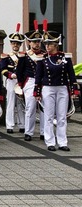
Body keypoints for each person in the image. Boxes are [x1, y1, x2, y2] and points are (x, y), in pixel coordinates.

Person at [34, 23, 78, 151]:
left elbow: (71, 74)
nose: (47, 47)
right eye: (46, 44)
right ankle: (50, 141)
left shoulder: (65, 57)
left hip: (62, 88)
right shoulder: (42, 59)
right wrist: (37, 91)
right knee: (48, 115)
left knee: (62, 116)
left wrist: (74, 89)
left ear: (56, 44)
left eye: (50, 44)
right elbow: (38, 76)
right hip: (48, 88)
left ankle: (62, 141)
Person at [16, 20, 46, 141]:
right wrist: (21, 84)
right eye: (34, 42)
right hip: (30, 82)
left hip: (43, 83)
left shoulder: (44, 54)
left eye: (38, 41)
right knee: (30, 107)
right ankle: (28, 132)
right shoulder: (25, 55)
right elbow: (19, 71)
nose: (37, 44)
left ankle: (44, 132)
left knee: (44, 108)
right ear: (29, 42)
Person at [0, 23, 26, 135]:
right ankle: (9, 125)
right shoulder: (6, 56)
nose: (15, 45)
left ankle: (22, 124)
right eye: (14, 43)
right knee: (10, 103)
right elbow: (3, 69)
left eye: (18, 43)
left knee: (20, 103)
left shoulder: (23, 56)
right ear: (11, 44)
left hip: (21, 81)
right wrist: (10, 75)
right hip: (11, 81)